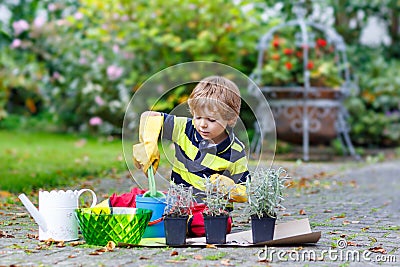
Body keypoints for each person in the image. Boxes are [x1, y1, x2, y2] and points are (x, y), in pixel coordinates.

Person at [98, 76, 250, 236]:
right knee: (141, 197)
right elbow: (149, 117)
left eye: (211, 120)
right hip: (176, 201)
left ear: (231, 118)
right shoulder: (184, 128)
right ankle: (100, 210)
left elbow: (245, 191)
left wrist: (230, 189)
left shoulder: (235, 151)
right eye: (198, 117)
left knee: (221, 223)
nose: (202, 124)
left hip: (208, 208)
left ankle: (172, 222)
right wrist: (148, 142)